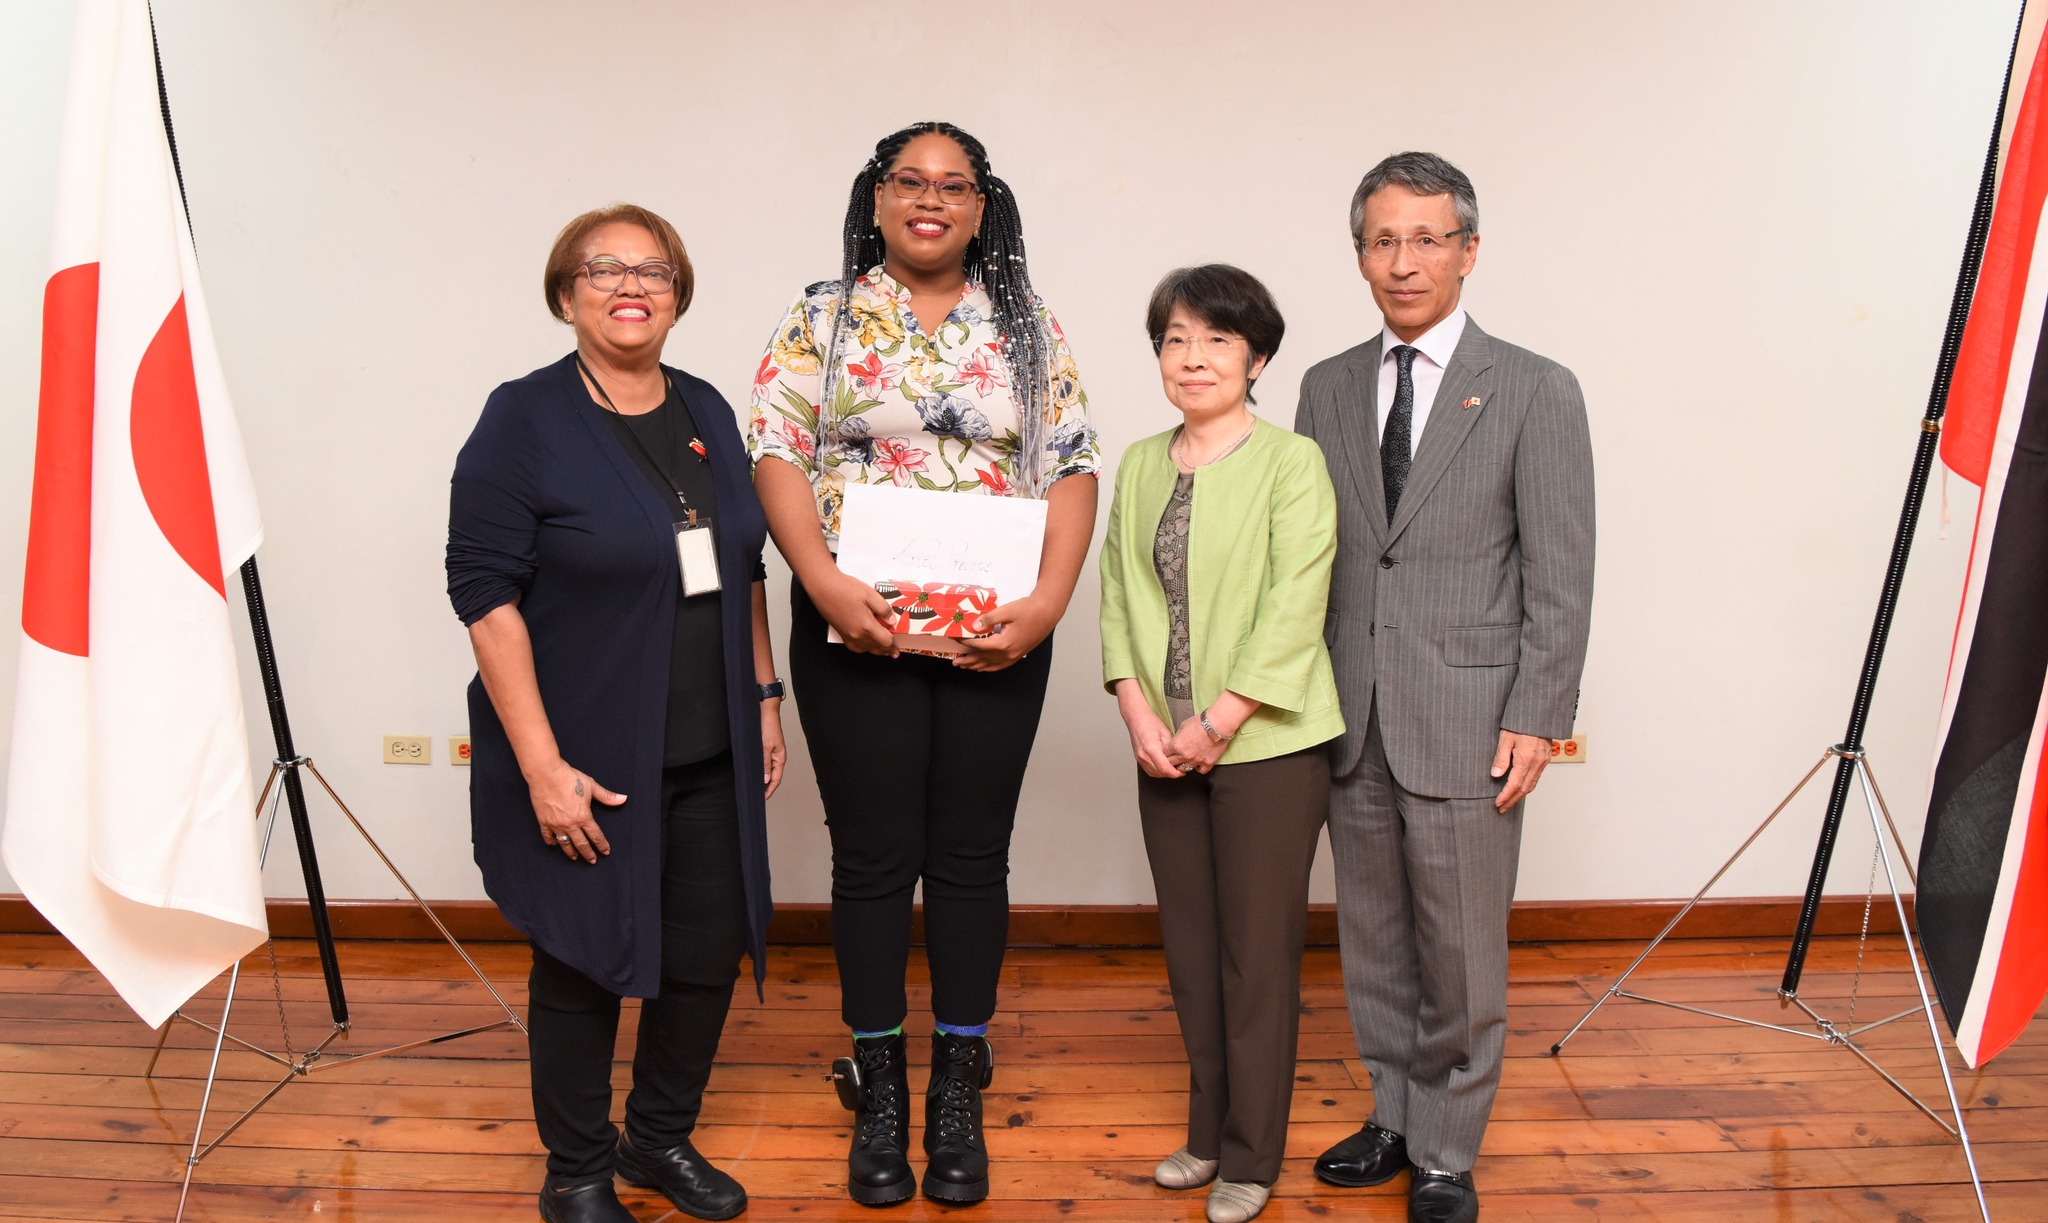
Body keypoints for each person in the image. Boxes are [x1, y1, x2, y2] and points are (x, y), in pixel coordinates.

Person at [748, 121, 1100, 1207]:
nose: (931, 199)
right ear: (880, 196)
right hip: (854, 622)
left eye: (954, 185)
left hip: (996, 633)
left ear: (980, 208)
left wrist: (1046, 603)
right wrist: (820, 583)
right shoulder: (823, 314)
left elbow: (1073, 464)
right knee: (869, 856)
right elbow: (775, 448)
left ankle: (956, 1076)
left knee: (966, 854)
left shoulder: (1028, 326)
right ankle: (881, 1079)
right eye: (910, 181)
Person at [447, 204, 786, 1223]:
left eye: (653, 269)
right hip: (588, 750)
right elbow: (484, 594)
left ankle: (658, 1136)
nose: (630, 284)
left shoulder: (707, 407)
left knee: (700, 953)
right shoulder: (525, 416)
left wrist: (765, 697)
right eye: (604, 268)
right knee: (583, 957)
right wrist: (541, 764)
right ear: (566, 293)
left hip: (712, 741)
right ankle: (578, 1168)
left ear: (677, 294)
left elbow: (743, 564)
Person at [1294, 152, 1595, 1223]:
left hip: (1472, 715)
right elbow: (1315, 552)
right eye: (1382, 239)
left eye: (1426, 238)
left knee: (1460, 945)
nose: (1403, 259)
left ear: (1468, 251)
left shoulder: (1533, 387)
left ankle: (1446, 1148)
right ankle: (1391, 1111)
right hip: (1346, 706)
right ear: (1359, 255)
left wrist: (1538, 716)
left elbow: (1560, 570)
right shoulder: (1324, 384)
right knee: (1370, 932)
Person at [1099, 266, 1344, 1223]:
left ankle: (1252, 1152)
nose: (1193, 358)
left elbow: (1297, 604)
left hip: (1268, 745)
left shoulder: (1293, 462)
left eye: (1218, 341)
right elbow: (1119, 593)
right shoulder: (1140, 462)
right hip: (1162, 742)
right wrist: (1138, 712)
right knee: (1194, 950)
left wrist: (1219, 719)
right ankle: (1206, 1132)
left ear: (1259, 358)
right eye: (1175, 339)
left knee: (1258, 953)